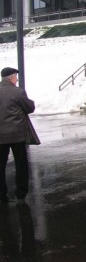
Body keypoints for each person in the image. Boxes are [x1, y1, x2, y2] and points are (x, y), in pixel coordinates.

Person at [0, 67, 36, 204]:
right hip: (17, 135)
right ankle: (21, 193)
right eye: (15, 76)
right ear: (11, 78)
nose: (16, 79)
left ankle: (2, 195)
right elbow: (29, 108)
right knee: (21, 165)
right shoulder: (18, 92)